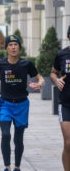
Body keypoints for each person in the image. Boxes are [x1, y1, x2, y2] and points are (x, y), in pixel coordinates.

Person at [0, 35, 44, 171]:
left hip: (22, 105)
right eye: (10, 45)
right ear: (6, 47)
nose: (13, 47)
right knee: (6, 134)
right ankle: (7, 166)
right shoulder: (1, 64)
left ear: (19, 47)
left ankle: (17, 166)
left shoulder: (26, 64)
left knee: (18, 138)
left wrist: (40, 84)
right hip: (5, 103)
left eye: (15, 45)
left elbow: (40, 77)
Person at [50, 25, 70, 171]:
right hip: (66, 103)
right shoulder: (61, 54)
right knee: (68, 143)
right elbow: (53, 73)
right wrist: (56, 80)